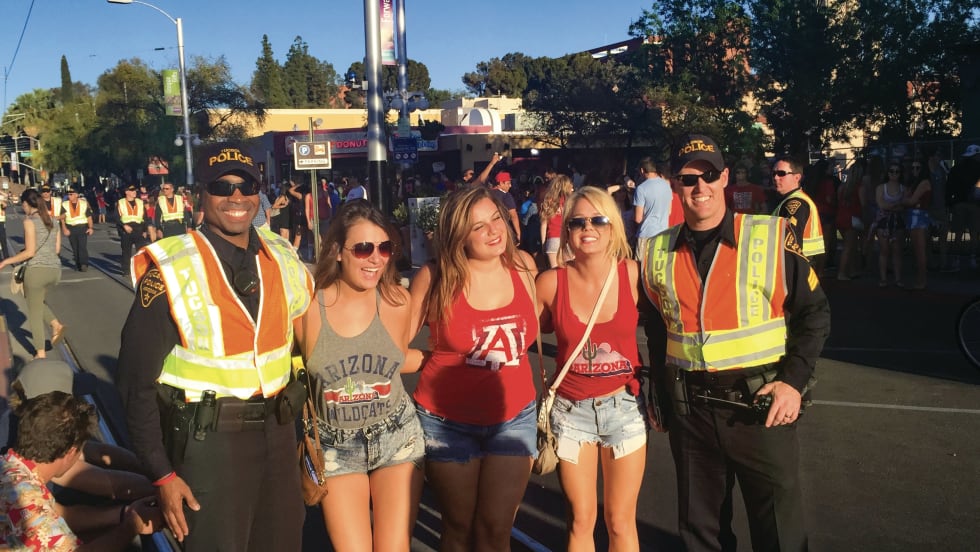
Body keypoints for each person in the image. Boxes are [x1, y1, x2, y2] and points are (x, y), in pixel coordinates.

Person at [117, 142, 314, 551]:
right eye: (222, 187)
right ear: (199, 197)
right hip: (210, 445)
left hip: (279, 434)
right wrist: (161, 474)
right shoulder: (171, 269)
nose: (236, 197)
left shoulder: (282, 255)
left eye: (247, 186)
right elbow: (134, 383)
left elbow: (306, 340)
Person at [639, 133, 831, 552]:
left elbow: (815, 314)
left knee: (779, 533)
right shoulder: (654, 251)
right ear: (675, 183)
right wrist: (659, 395)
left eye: (709, 175)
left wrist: (792, 383)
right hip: (691, 413)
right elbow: (657, 330)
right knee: (701, 533)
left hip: (759, 408)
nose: (700, 187)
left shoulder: (771, 235)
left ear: (725, 177)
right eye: (689, 178)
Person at [408, 185, 539, 552]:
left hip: (515, 417)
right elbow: (395, 347)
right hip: (447, 422)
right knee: (459, 528)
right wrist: (439, 361)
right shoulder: (436, 277)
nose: (493, 230)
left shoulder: (524, 266)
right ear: (458, 236)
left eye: (496, 218)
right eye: (478, 226)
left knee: (496, 529)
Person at [300, 200, 424, 551]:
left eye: (385, 248)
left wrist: (441, 360)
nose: (376, 259)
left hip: (397, 435)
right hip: (335, 443)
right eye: (364, 248)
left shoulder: (397, 301)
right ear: (337, 251)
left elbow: (395, 359)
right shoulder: (307, 308)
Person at [536, 186, 648, 551]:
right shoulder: (550, 283)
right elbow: (517, 330)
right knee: (581, 520)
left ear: (613, 226)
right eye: (577, 222)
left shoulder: (633, 274)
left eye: (598, 219)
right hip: (571, 413)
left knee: (620, 521)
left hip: (625, 408)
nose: (588, 228)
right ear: (566, 230)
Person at [1, 391, 163, 551]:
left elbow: (60, 513)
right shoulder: (31, 507)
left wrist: (124, 513)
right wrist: (132, 526)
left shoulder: (11, 467)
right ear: (71, 452)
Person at [0, 189, 66, 359]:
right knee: (35, 302)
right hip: (55, 270)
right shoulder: (53, 221)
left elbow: (29, 252)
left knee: (34, 313)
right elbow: (57, 249)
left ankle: (40, 353)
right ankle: (55, 324)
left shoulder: (29, 222)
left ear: (26, 204)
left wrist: (6, 261)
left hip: (36, 271)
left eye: (23, 205)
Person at [772, 155, 826, 267]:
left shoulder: (796, 202)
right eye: (774, 173)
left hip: (797, 265)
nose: (776, 177)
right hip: (800, 263)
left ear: (797, 177)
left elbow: (791, 242)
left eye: (781, 173)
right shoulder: (791, 199)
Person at [944, 144, 980, 271]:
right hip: (975, 205)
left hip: (958, 204)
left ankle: (956, 260)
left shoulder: (956, 169)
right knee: (974, 233)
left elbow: (949, 187)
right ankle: (972, 259)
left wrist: (949, 202)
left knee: (958, 233)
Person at [873, 162, 908, 287]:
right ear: (887, 173)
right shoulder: (881, 188)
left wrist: (891, 206)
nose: (894, 174)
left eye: (897, 171)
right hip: (884, 222)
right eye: (891, 171)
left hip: (897, 221)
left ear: (900, 174)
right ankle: (883, 279)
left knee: (897, 251)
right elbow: (881, 204)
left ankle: (898, 279)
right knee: (884, 250)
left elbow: (904, 206)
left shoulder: (903, 188)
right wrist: (896, 205)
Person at [633, 157, 673, 261]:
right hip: (663, 234)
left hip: (646, 234)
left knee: (641, 267)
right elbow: (669, 211)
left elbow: (638, 218)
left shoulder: (641, 189)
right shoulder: (667, 186)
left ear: (642, 170)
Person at [904, 161, 932, 290]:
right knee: (917, 250)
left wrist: (902, 201)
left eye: (917, 168)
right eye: (913, 167)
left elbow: (911, 200)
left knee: (920, 250)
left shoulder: (924, 182)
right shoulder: (915, 182)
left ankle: (922, 280)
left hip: (919, 216)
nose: (914, 170)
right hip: (913, 215)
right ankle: (920, 279)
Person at [539, 174, 574, 268]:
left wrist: (543, 244)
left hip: (552, 239)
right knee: (570, 271)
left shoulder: (548, 201)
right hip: (567, 239)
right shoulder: (570, 202)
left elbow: (543, 225)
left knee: (555, 272)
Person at [116, 184, 148, 277]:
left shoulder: (140, 202)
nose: (134, 192)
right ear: (126, 192)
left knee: (141, 252)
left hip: (139, 229)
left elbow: (145, 217)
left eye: (135, 190)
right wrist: (124, 226)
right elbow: (117, 217)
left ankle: (141, 270)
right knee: (126, 252)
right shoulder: (121, 203)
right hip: (126, 230)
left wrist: (145, 230)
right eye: (132, 190)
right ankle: (126, 270)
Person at [60, 186, 94, 272]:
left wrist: (91, 228)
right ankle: (78, 263)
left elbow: (89, 217)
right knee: (74, 247)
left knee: (82, 246)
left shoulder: (83, 203)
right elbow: (62, 218)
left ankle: (84, 263)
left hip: (82, 227)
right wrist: (64, 229)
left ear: (76, 195)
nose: (69, 196)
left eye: (71, 194)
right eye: (68, 194)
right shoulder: (64, 204)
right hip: (70, 227)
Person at [491, 171, 522, 244]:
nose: (510, 186)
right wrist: (518, 233)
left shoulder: (486, 194)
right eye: (508, 183)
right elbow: (513, 215)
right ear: (501, 183)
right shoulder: (506, 195)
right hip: (504, 229)